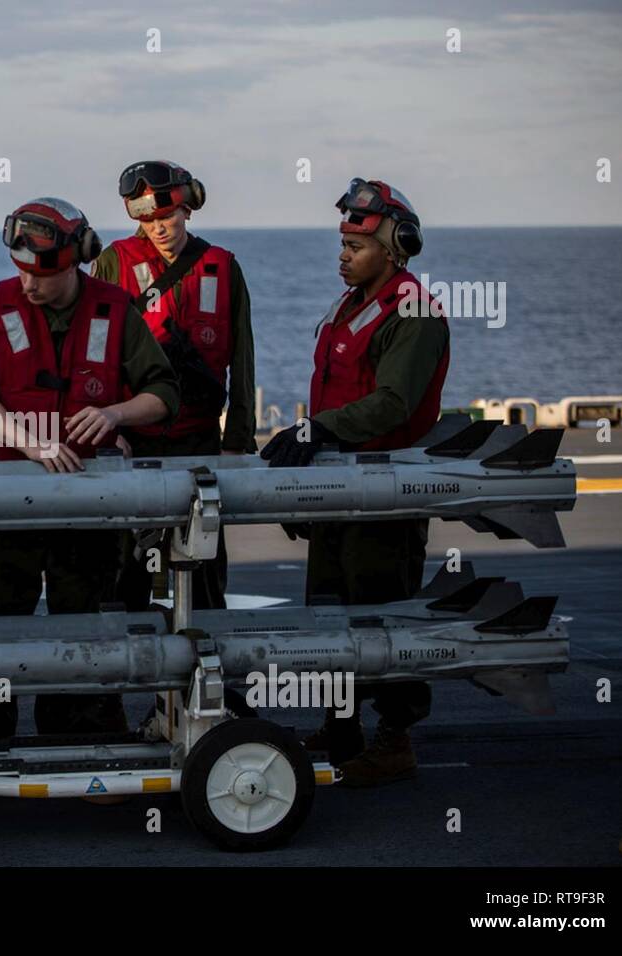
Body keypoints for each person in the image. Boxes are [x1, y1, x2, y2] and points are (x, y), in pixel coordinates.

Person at [0, 197, 180, 741]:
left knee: (85, 629)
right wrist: (29, 443)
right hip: (9, 504)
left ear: (77, 259)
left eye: (42, 273)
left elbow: (164, 392)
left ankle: (77, 740)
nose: (29, 285)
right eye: (21, 270)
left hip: (89, 509)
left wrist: (114, 415)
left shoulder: (116, 309)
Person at [261, 177, 449, 787]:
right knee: (330, 617)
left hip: (385, 493)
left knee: (382, 617)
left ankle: (395, 738)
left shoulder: (412, 310)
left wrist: (315, 431)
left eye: (356, 245)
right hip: (341, 488)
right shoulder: (351, 304)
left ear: (394, 247)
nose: (343, 254)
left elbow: (394, 402)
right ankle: (340, 730)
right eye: (342, 242)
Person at [92, 160, 256, 611]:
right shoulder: (112, 262)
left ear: (188, 209)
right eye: (148, 220)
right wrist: (111, 434)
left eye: (166, 217)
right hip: (133, 444)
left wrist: (237, 440)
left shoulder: (223, 268)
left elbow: (242, 359)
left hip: (201, 440)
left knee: (203, 573)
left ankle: (204, 668)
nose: (159, 229)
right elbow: (96, 355)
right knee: (125, 578)